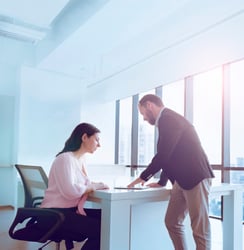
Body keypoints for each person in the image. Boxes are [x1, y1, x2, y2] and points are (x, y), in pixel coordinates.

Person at [128, 94, 214, 250]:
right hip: (181, 180)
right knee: (172, 222)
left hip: (196, 177)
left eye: (143, 114)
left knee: (200, 229)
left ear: (149, 105)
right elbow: (172, 155)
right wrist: (161, 181)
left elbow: (164, 154)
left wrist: (142, 177)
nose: (144, 119)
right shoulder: (165, 121)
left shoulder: (169, 119)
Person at [41, 122, 109, 250]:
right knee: (102, 229)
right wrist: (94, 186)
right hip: (55, 214)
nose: (99, 145)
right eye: (96, 140)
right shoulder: (65, 159)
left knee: (109, 218)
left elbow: (82, 185)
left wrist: (96, 185)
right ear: (84, 138)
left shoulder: (80, 160)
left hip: (69, 211)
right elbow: (70, 191)